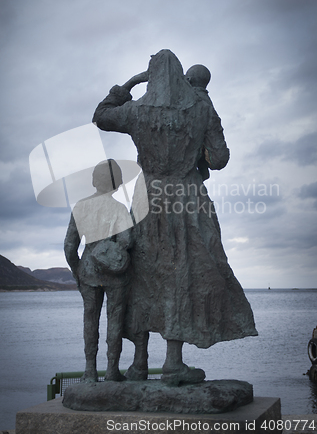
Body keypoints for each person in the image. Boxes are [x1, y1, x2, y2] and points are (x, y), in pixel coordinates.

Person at [93, 50, 257, 386]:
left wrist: (131, 84)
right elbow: (220, 159)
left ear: (152, 77)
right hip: (188, 198)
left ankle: (139, 364)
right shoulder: (200, 107)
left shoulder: (137, 110)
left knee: (143, 274)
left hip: (148, 196)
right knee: (183, 274)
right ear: (181, 76)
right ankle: (173, 363)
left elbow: (101, 115)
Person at [64, 159, 133, 382]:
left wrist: (78, 271)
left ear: (95, 180)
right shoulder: (119, 208)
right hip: (115, 275)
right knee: (115, 321)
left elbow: (69, 246)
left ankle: (90, 371)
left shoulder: (81, 206)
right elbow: (127, 240)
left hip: (88, 272)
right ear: (117, 183)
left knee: (90, 321)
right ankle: (112, 371)